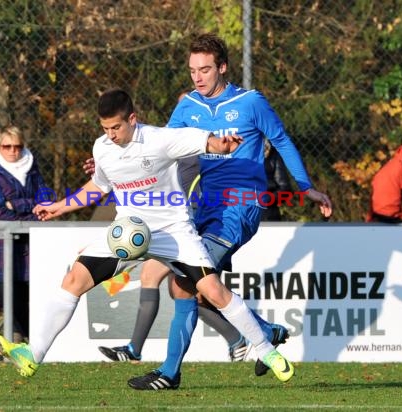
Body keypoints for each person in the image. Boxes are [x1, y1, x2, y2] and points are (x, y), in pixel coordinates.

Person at [0, 88, 295, 388]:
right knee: (74, 279)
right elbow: (98, 187)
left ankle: (267, 351)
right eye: (105, 128)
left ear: (132, 119)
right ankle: (34, 355)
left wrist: (222, 145)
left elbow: (202, 140)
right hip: (128, 233)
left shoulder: (159, 139)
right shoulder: (103, 148)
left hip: (173, 232)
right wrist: (58, 206)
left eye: (116, 127)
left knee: (213, 291)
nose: (110, 134)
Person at [101, 33, 332, 386]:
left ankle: (169, 373)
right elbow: (159, 149)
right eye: (193, 70)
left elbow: (282, 140)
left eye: (205, 69)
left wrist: (306, 188)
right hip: (205, 206)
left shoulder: (250, 102)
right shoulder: (187, 108)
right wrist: (113, 163)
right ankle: (265, 332)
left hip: (241, 205)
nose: (198, 77)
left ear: (222, 68)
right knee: (195, 286)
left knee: (185, 285)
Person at [0, 125, 50, 342]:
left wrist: (16, 205)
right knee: (14, 308)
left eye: (18, 146)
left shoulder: (32, 167)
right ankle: (17, 355)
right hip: (1, 253)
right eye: (7, 146)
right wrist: (32, 212)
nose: (13, 151)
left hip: (32, 250)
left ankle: (38, 350)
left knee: (37, 305)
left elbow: (45, 202)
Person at [261, 142, 292, 222]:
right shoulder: (233, 153)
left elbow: (285, 189)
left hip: (267, 214)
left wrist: (267, 198)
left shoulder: (273, 154)